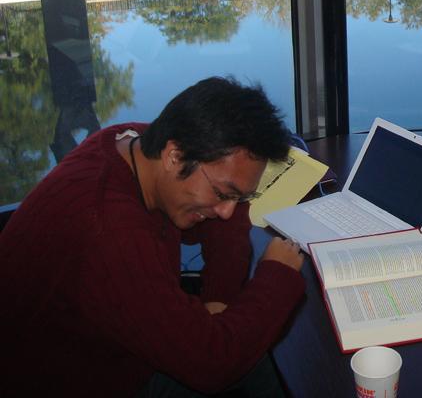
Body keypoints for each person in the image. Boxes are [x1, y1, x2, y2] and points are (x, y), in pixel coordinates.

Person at [0, 77, 306, 397]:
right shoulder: (110, 233)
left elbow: (226, 221)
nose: (230, 211)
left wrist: (218, 299)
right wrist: (278, 274)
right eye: (221, 193)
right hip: (77, 377)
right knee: (260, 354)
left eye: (239, 197)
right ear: (175, 156)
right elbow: (212, 365)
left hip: (106, 345)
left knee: (255, 349)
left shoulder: (135, 142)